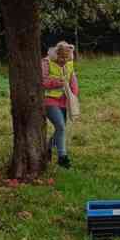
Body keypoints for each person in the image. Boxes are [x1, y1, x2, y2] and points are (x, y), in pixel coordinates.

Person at [41, 41, 79, 169]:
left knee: (60, 129)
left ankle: (48, 147)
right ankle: (63, 158)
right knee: (61, 126)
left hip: (64, 101)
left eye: (66, 58)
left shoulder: (69, 63)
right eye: (61, 57)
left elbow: (73, 80)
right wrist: (58, 83)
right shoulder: (46, 63)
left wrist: (73, 95)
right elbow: (42, 81)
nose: (64, 60)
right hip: (49, 99)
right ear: (56, 54)